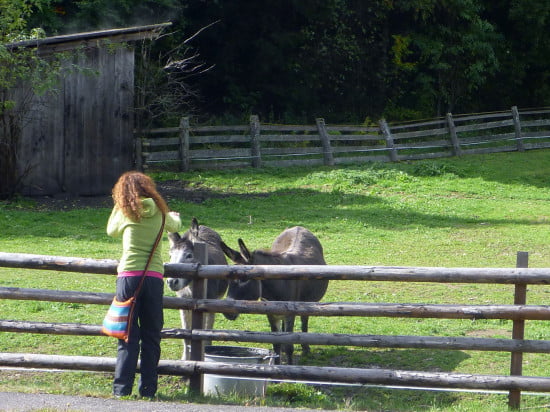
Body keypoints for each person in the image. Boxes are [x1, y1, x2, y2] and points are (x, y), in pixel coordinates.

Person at [107, 171, 182, 398]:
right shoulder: (160, 211)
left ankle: (122, 389)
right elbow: (176, 225)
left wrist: (118, 205)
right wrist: (173, 214)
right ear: (149, 189)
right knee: (152, 335)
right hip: (153, 278)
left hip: (129, 277)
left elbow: (111, 230)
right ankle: (148, 389)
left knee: (127, 334)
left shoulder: (125, 211)